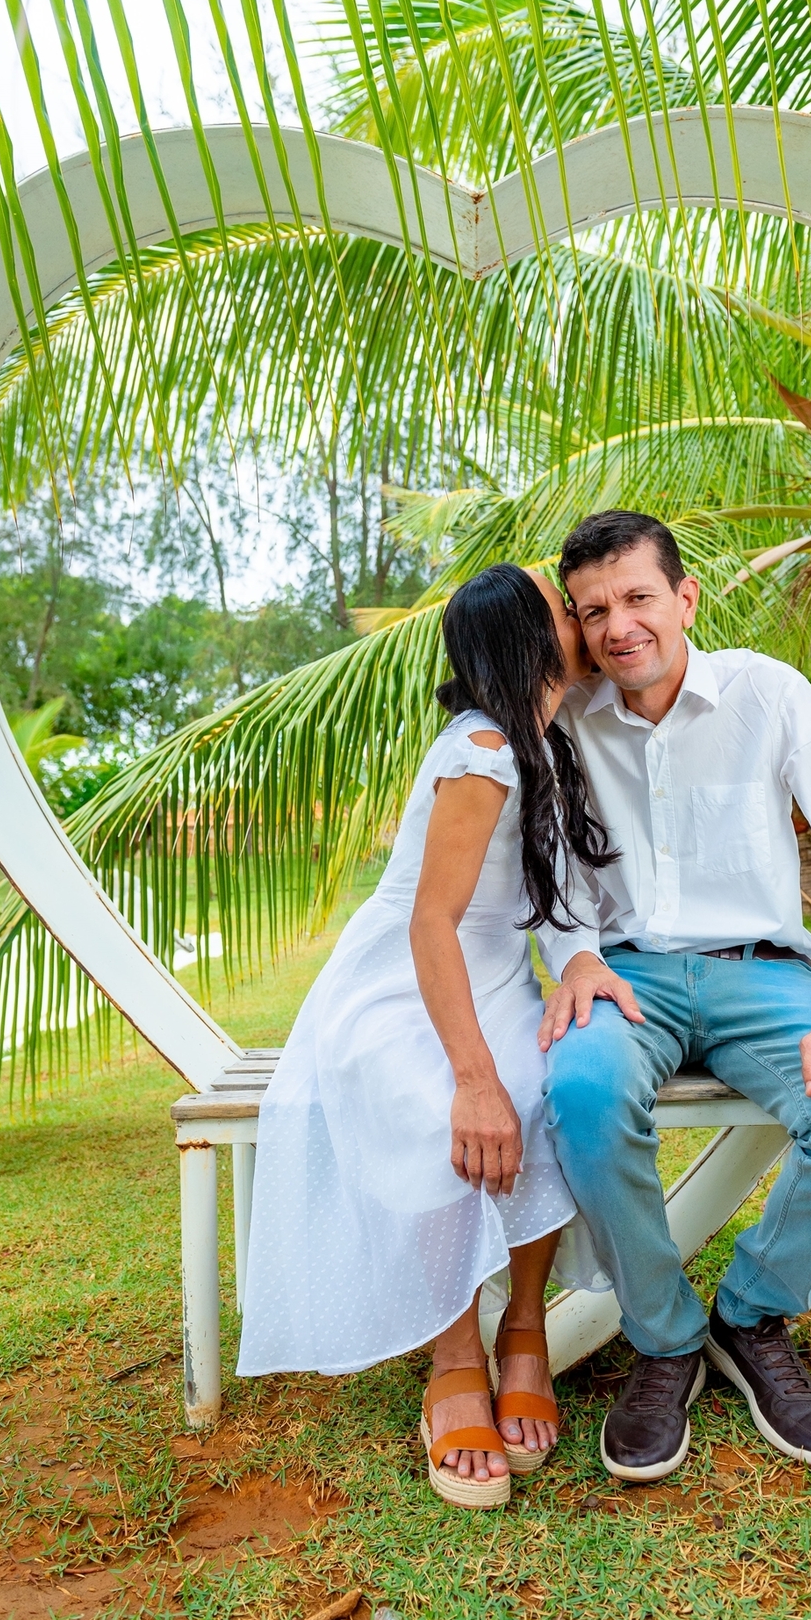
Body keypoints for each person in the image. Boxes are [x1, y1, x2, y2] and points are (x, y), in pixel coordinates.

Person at [536, 510, 811, 1482]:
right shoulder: (565, 724)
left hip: (765, 973)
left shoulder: (768, 694)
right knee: (583, 1093)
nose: (617, 625)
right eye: (593, 610)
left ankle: (749, 1314)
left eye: (637, 597)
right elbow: (544, 871)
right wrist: (575, 953)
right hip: (625, 975)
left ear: (685, 599)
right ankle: (665, 1336)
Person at [237, 563, 625, 1509]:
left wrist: (575, 968)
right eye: (564, 608)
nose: (584, 617)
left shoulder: (546, 740)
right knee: (445, 1113)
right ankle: (453, 1356)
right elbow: (429, 923)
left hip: (490, 972)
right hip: (399, 987)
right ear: (531, 640)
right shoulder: (484, 750)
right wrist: (470, 1077)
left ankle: (523, 1327)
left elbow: (554, 898)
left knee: (549, 1092)